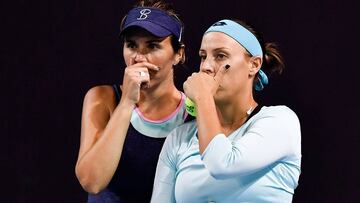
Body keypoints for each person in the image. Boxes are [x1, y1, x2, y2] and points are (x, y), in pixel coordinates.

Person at [151, 19, 301, 203]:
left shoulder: (280, 121)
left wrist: (203, 97)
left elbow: (222, 164)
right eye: (203, 56)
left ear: (254, 65)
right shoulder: (179, 138)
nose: (206, 66)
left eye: (221, 56)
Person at [75, 1, 190, 202]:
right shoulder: (102, 98)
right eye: (131, 45)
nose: (138, 57)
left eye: (152, 46)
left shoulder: (195, 112)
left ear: (178, 54)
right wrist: (127, 102)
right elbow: (92, 182)